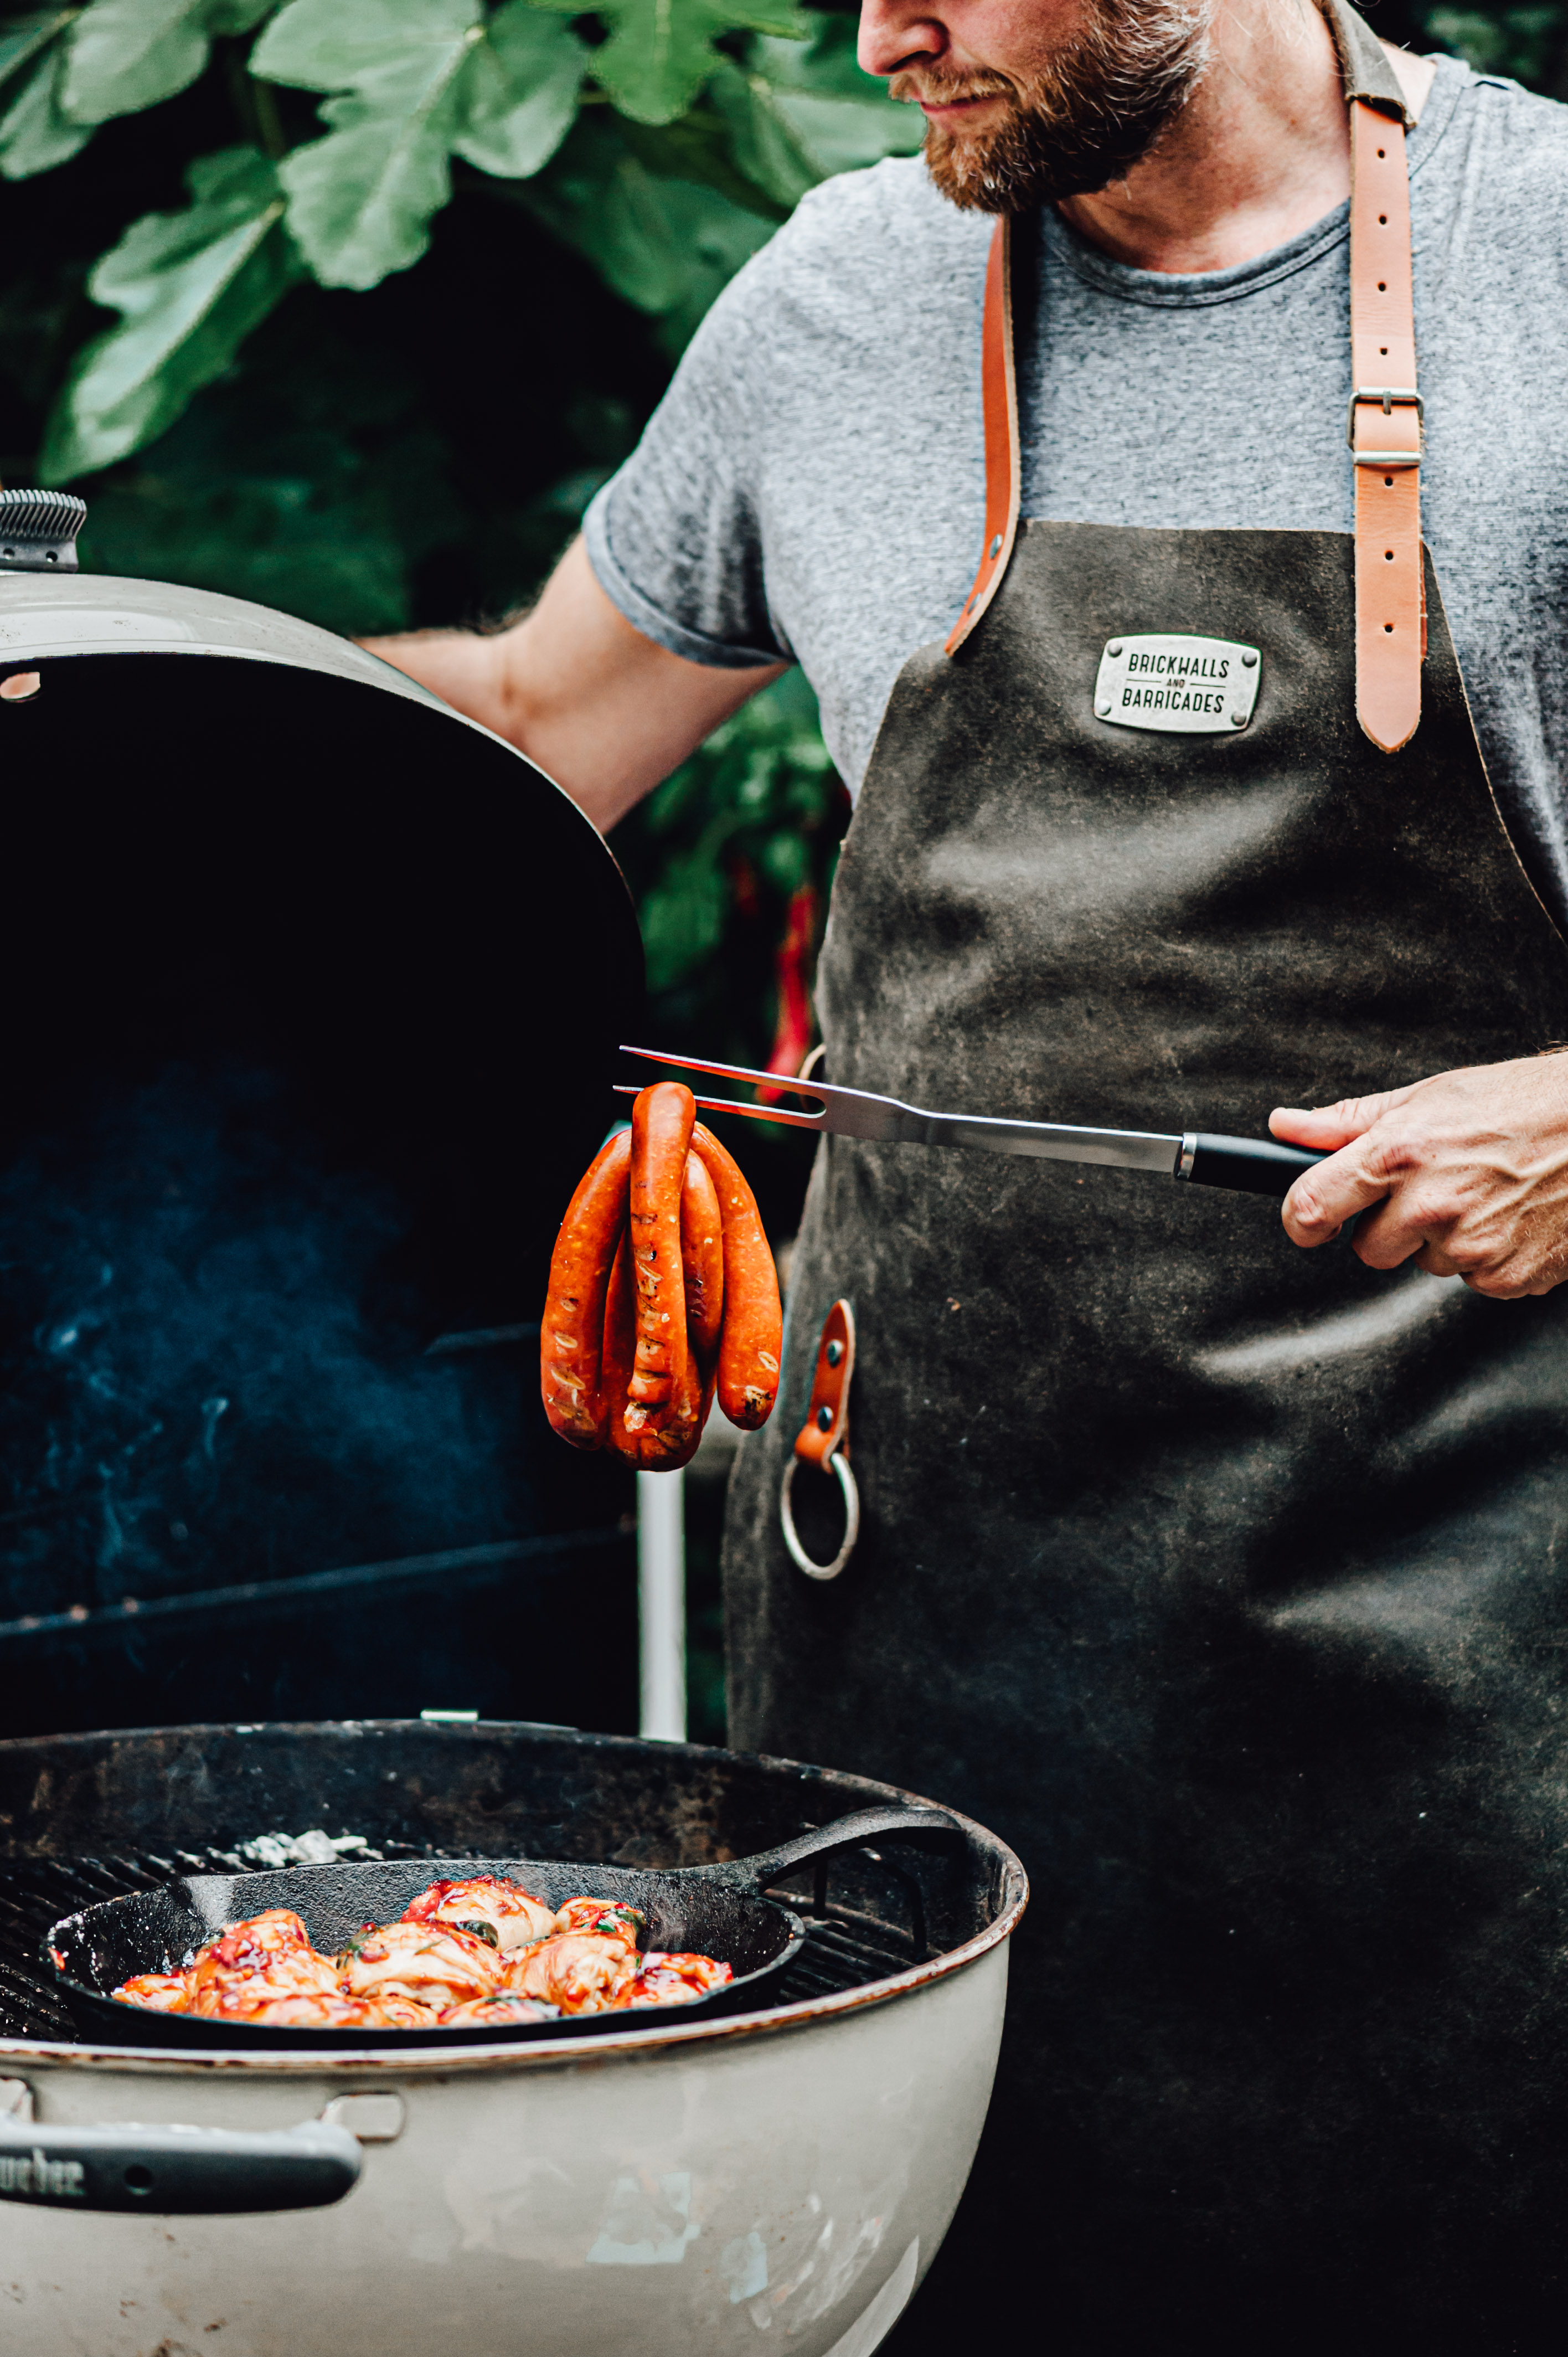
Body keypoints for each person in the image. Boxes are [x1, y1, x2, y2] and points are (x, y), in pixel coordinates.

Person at [367, 0, 1568, 2340]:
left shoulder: (1554, 265)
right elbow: (534, 725)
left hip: (1450, 1675)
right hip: (912, 1630)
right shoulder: (842, 292)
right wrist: (143, 684)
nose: (873, 29)